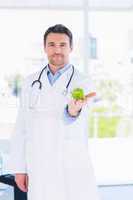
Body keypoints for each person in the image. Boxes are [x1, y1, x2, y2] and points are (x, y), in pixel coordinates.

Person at [9, 24, 100, 200]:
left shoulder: (82, 82)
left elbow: (80, 114)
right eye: (51, 44)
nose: (57, 50)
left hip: (70, 163)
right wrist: (19, 169)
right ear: (44, 48)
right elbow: (21, 126)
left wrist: (72, 112)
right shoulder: (30, 82)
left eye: (62, 45)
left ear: (71, 48)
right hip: (38, 163)